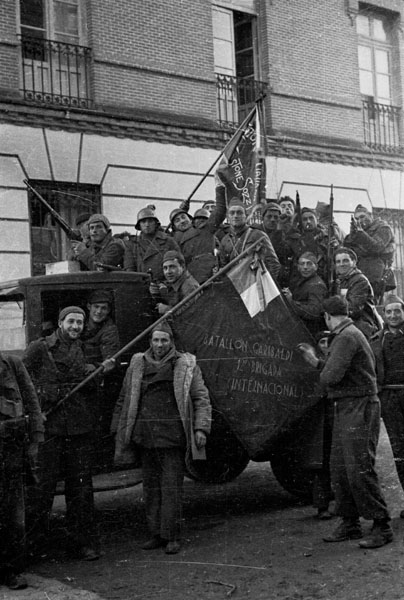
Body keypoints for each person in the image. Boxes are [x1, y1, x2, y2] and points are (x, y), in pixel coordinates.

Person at [298, 296, 393, 549]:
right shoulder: (347, 334)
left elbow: (331, 376)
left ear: (327, 316)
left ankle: (381, 525)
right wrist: (318, 362)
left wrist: (318, 364)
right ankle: (350, 522)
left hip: (358, 406)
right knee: (340, 468)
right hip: (348, 405)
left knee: (359, 467)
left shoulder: (347, 336)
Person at [111, 321, 211, 554]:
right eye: (155, 340)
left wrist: (200, 429)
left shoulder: (185, 364)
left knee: (171, 488)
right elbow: (124, 398)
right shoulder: (137, 364)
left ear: (171, 342)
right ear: (150, 342)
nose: (159, 345)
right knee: (151, 487)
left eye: (164, 340)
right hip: (145, 437)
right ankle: (155, 533)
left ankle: (171, 536)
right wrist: (118, 428)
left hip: (172, 437)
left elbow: (201, 398)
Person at [23, 306, 100, 561]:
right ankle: (33, 547)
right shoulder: (40, 347)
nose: (75, 327)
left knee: (81, 490)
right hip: (49, 429)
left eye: (79, 322)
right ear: (60, 322)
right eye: (71, 322)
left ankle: (82, 544)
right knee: (42, 490)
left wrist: (96, 372)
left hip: (79, 428)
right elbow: (20, 380)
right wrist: (35, 410)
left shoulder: (85, 348)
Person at [0, 354, 44, 590]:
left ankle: (11, 570)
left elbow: (30, 397)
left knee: (12, 513)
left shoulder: (11, 363)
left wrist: (36, 435)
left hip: (10, 449)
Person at [371, 294, 404, 517]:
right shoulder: (377, 340)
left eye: (397, 311)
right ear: (384, 315)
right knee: (399, 451)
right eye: (389, 312)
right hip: (390, 398)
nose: (393, 315)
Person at [82, 290, 121, 433]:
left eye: (103, 308)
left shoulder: (109, 330)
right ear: (88, 306)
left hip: (95, 384)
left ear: (109, 310)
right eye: (96, 307)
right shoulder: (80, 323)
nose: (99, 311)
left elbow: (109, 363)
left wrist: (95, 367)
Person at [171, 183, 226, 283]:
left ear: (190, 219)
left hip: (209, 275)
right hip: (189, 280)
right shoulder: (174, 240)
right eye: (177, 220)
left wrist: (220, 187)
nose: (182, 221)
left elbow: (220, 211)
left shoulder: (204, 230)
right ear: (174, 226)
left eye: (184, 217)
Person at [218, 198, 281, 280]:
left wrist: (265, 285)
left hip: (255, 284)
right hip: (235, 286)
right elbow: (224, 269)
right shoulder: (225, 240)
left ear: (246, 216)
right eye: (232, 213)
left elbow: (274, 264)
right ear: (228, 217)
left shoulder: (258, 235)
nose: (235, 216)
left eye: (239, 213)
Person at [344, 204, 395, 301]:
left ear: (370, 215)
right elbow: (349, 250)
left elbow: (376, 247)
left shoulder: (383, 228)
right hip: (359, 274)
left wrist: (360, 234)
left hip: (375, 275)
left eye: (362, 216)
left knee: (372, 303)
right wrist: (353, 234)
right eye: (357, 218)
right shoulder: (359, 232)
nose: (360, 220)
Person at [334, 247, 380, 339]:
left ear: (354, 262)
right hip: (348, 324)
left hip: (362, 326)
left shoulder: (359, 280)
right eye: (338, 262)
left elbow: (354, 309)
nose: (341, 264)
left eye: (345, 261)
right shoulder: (341, 281)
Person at [123, 206, 179, 280]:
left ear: (156, 223)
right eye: (143, 222)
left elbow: (179, 264)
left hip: (165, 285)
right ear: (139, 225)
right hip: (141, 285)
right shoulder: (132, 244)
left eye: (150, 221)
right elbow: (129, 269)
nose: (147, 224)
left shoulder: (168, 241)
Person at [282, 251, 327, 337]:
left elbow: (314, 312)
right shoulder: (301, 281)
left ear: (316, 267)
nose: (305, 267)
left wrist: (291, 302)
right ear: (298, 267)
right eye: (302, 264)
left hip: (310, 332)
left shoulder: (317, 285)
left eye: (309, 264)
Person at [150, 250, 199, 316]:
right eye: (165, 268)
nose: (168, 272)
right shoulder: (176, 281)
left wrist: (166, 309)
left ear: (183, 267)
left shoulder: (190, 286)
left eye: (172, 267)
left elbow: (188, 314)